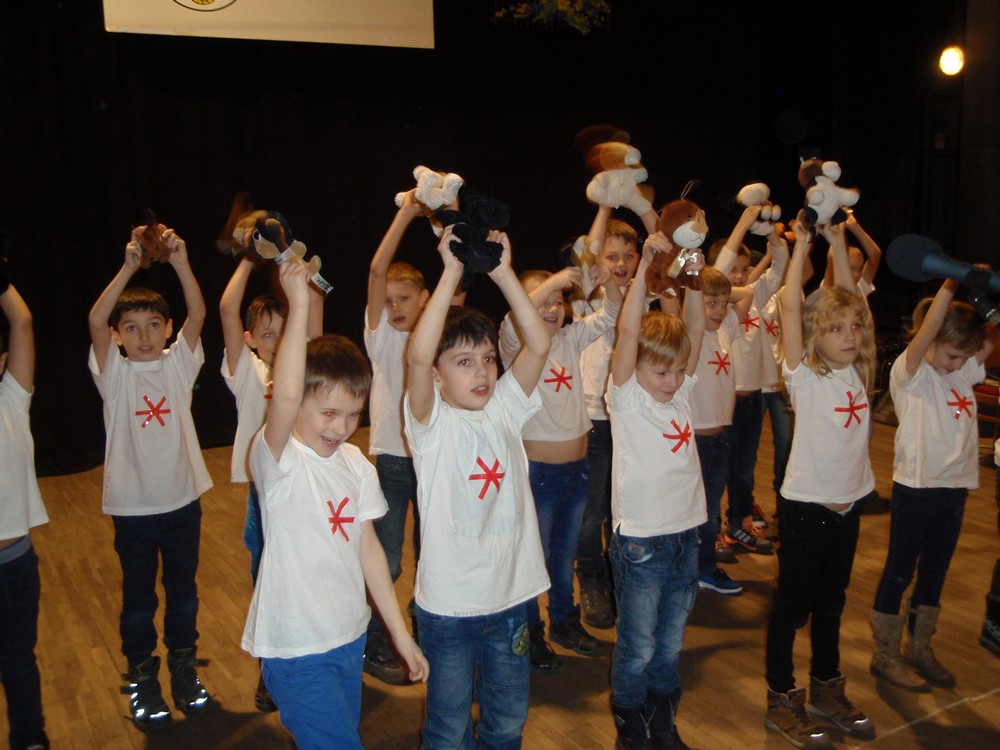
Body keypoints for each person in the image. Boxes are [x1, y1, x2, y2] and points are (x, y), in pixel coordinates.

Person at [240, 257, 427, 750]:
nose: (340, 427)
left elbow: (368, 551)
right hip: (297, 650)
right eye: (328, 412)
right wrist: (300, 304)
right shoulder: (278, 461)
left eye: (352, 414)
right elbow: (285, 398)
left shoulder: (355, 464)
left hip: (349, 637)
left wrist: (400, 635)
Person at [405, 227, 550, 748]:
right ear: (438, 376)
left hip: (510, 601)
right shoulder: (430, 425)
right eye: (463, 362)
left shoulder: (504, 409)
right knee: (447, 731)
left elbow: (539, 342)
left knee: (507, 723)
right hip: (448, 610)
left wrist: (503, 272)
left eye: (488, 358)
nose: (482, 371)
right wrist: (451, 272)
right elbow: (417, 357)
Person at [87, 225, 213, 729]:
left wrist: (180, 262)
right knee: (139, 601)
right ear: (118, 335)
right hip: (133, 511)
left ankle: (184, 668)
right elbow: (94, 320)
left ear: (167, 329)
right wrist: (129, 267)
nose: (143, 336)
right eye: (132, 327)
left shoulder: (177, 366)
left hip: (182, 505)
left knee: (184, 594)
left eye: (153, 325)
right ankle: (142, 676)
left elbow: (199, 315)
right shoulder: (114, 374)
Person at [764, 221, 878, 748]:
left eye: (853, 328)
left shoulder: (860, 371)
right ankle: (781, 696)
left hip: (848, 508)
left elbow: (857, 307)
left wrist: (838, 242)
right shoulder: (806, 377)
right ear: (814, 336)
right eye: (836, 329)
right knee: (792, 607)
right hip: (807, 510)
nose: (850, 336)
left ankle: (828, 688)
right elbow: (791, 306)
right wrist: (806, 243)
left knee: (832, 603)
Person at [498, 235, 623, 671]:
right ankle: (531, 630)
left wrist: (608, 280)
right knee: (533, 556)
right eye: (542, 302)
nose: (552, 308)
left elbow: (613, 312)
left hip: (576, 470)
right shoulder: (519, 347)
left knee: (564, 553)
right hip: (539, 474)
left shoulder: (571, 337)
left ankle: (563, 620)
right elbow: (514, 319)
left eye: (557, 302)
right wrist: (556, 279)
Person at [606, 231, 705, 749]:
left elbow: (694, 327)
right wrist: (645, 265)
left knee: (670, 645)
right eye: (660, 370)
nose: (671, 381)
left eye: (678, 371)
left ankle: (663, 722)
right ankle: (630, 727)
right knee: (639, 646)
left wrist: (693, 273)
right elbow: (627, 333)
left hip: (686, 536)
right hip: (641, 542)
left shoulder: (680, 394)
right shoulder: (626, 399)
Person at [870, 279, 992, 691]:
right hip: (917, 487)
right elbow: (931, 328)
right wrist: (952, 282)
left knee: (935, 571)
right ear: (933, 340)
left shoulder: (962, 371)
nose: (960, 364)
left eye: (965, 357)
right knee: (900, 570)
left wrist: (985, 300)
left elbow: (987, 340)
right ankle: (885, 654)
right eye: (954, 354)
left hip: (954, 488)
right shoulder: (913, 373)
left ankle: (920, 647)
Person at [219, 253, 323, 710]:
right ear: (250, 341)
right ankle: (271, 672)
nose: (278, 343)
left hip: (305, 492)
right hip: (265, 499)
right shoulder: (248, 372)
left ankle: (314, 659)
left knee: (308, 580)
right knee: (268, 583)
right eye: (267, 334)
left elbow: (314, 312)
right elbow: (227, 309)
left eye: (284, 332)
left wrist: (297, 267)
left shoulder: (304, 370)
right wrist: (248, 259)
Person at [362, 191, 433, 684]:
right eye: (388, 301)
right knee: (385, 560)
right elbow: (375, 270)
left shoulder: (439, 330)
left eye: (403, 298)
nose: (393, 308)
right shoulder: (382, 335)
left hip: (433, 459)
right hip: (391, 459)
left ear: (425, 298)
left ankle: (425, 628)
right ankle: (374, 638)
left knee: (432, 554)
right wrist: (407, 213)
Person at [576, 209, 641, 630]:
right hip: (593, 419)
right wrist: (603, 205)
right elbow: (588, 253)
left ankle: (622, 577)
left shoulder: (644, 295)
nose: (620, 264)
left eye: (628, 256)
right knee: (591, 512)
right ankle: (592, 580)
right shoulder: (587, 294)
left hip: (631, 418)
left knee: (625, 506)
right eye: (611, 256)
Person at [710, 207, 788, 552]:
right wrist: (742, 227)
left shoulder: (755, 295)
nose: (739, 276)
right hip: (722, 402)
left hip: (752, 399)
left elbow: (781, 265)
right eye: (734, 269)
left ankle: (739, 523)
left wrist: (770, 232)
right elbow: (718, 273)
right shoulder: (716, 307)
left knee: (743, 468)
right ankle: (711, 531)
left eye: (744, 270)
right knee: (716, 469)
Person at [0, 273, 50, 750]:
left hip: (13, 564)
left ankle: (30, 736)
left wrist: (2, 279)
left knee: (17, 661)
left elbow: (22, 321)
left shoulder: (11, 400)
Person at [690, 266, 753, 594]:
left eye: (723, 304)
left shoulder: (726, 326)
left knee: (711, 510)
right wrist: (697, 291)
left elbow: (748, 293)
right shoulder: (690, 331)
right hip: (693, 439)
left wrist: (718, 293)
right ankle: (687, 569)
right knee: (692, 509)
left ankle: (704, 568)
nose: (718, 310)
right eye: (710, 303)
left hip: (720, 436)